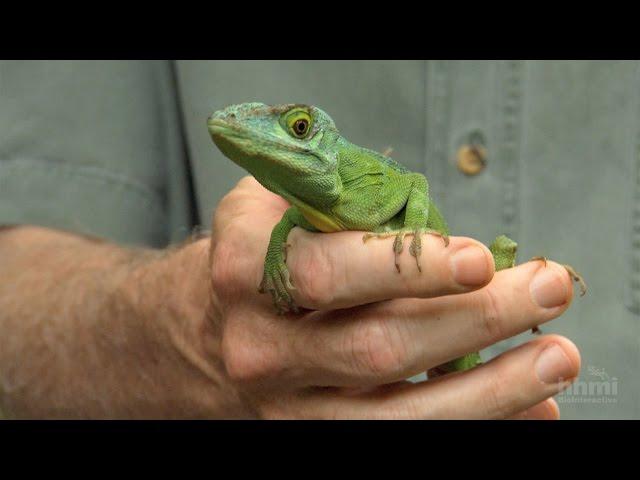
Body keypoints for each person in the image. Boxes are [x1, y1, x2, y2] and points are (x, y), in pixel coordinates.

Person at [0, 60, 628, 419]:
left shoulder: (364, 188)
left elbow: (411, 183)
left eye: (296, 127)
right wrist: (198, 323)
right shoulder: (303, 208)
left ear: (317, 137)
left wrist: (412, 234)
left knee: (493, 281)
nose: (288, 134)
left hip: (468, 325)